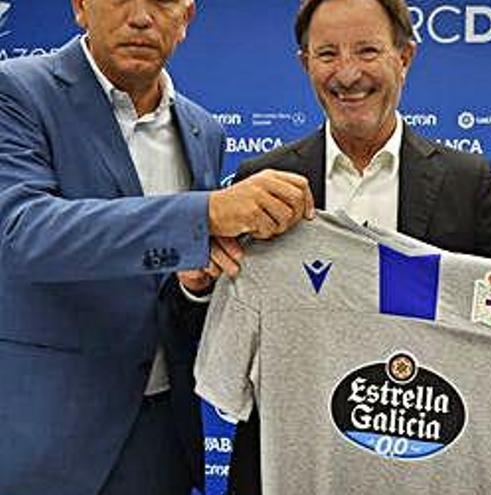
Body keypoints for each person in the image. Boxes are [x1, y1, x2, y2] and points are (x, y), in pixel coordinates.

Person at [222, 0, 491, 492]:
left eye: (367, 50)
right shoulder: (261, 184)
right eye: (327, 54)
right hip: (298, 470)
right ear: (306, 64)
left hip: (428, 471)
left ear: (404, 58)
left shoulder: (464, 183)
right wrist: (197, 283)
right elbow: (213, 322)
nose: (347, 74)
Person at [0, 1, 314, 494]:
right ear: (81, 7)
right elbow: (21, 232)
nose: (142, 16)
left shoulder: (202, 129)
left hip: (162, 438)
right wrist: (203, 214)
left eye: (162, 1)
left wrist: (194, 285)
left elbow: (169, 276)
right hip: (45, 441)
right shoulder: (15, 89)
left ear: (185, 18)